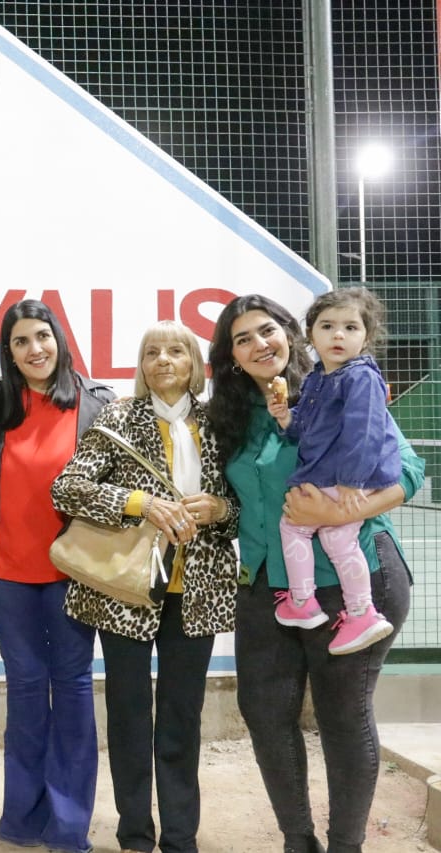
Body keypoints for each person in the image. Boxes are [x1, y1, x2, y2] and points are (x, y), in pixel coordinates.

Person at [206, 294, 421, 853]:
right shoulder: (228, 417)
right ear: (231, 357)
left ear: (291, 334)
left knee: (342, 716)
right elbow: (238, 504)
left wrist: (341, 511)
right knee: (264, 712)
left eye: (268, 330)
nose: (260, 344)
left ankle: (345, 844)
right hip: (266, 585)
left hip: (354, 580)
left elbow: (410, 469)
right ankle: (297, 839)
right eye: (243, 338)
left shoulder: (338, 383)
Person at [51, 321, 238, 853]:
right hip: (126, 592)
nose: (163, 359)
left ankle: (181, 837)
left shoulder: (219, 424)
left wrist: (221, 508)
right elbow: (67, 489)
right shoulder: (117, 417)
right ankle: (134, 833)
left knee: (182, 715)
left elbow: (241, 506)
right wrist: (139, 504)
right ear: (141, 364)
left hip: (197, 592)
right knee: (129, 714)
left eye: (176, 350)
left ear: (195, 364)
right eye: (152, 351)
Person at [0, 300, 113, 853]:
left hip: (73, 574)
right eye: (20, 342)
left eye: (42, 337)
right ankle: (23, 819)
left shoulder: (96, 402)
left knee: (74, 691)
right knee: (26, 693)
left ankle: (69, 825)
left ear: (60, 338)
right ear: (7, 353)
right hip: (6, 575)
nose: (34, 350)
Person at [265, 288, 398, 654]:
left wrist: (351, 480)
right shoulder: (317, 379)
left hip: (351, 478)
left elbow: (365, 430)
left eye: (350, 327)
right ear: (311, 335)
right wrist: (287, 418)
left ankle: (307, 602)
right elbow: (307, 430)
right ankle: (358, 612)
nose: (338, 335)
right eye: (327, 326)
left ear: (366, 337)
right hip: (337, 476)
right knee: (336, 539)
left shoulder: (360, 378)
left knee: (295, 526)